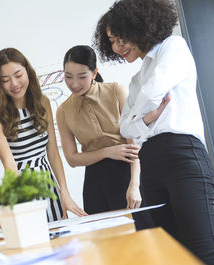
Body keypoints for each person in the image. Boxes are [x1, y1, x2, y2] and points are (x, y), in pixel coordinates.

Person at [94, 0, 214, 264]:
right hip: (151, 163)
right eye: (111, 41)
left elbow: (153, 92)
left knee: (205, 253)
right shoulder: (135, 79)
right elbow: (125, 126)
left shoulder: (173, 47)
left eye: (121, 38)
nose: (117, 47)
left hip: (183, 155)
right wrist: (146, 118)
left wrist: (139, 116)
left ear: (139, 26)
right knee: (173, 257)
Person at [56, 45, 150, 228]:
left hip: (128, 172)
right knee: (106, 243)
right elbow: (72, 159)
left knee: (144, 234)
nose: (74, 83)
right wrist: (107, 152)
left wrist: (135, 184)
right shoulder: (63, 111)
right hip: (95, 182)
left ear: (94, 73)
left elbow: (134, 144)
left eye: (82, 76)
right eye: (68, 77)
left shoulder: (116, 91)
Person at [0, 47, 86, 221]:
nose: (15, 84)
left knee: (60, 240)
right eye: (5, 80)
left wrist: (65, 193)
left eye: (18, 75)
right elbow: (9, 163)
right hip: (20, 188)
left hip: (49, 184)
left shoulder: (43, 102)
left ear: (28, 72)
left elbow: (53, 153)